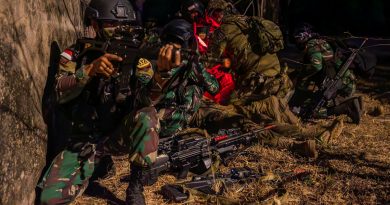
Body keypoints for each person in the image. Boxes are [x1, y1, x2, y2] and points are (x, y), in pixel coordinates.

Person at [38, 0, 159, 204]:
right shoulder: (75, 54)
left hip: (118, 135)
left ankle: (136, 187)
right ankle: (97, 166)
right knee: (49, 199)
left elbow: (151, 101)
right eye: (111, 24)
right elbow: (58, 94)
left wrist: (159, 75)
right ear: (95, 24)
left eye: (125, 26)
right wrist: (88, 71)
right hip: (84, 141)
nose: (119, 31)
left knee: (148, 116)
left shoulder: (138, 57)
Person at [290, 23, 363, 123]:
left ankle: (347, 107)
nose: (296, 41)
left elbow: (316, 66)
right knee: (311, 102)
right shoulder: (320, 42)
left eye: (298, 38)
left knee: (311, 111)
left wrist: (301, 76)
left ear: (304, 36)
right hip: (345, 82)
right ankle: (351, 102)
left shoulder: (312, 45)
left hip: (341, 84)